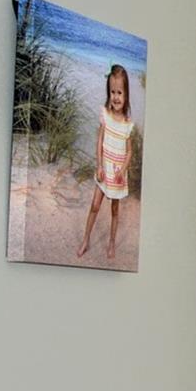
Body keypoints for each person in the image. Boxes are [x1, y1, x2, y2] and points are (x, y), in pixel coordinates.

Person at [76, 64, 133, 260]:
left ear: (126, 95)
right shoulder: (105, 117)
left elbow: (129, 152)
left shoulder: (127, 125)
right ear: (109, 93)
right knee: (94, 205)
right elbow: (100, 141)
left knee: (115, 210)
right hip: (104, 170)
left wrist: (122, 170)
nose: (116, 97)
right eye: (112, 92)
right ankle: (85, 239)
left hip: (117, 175)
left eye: (120, 93)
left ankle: (111, 242)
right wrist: (99, 165)